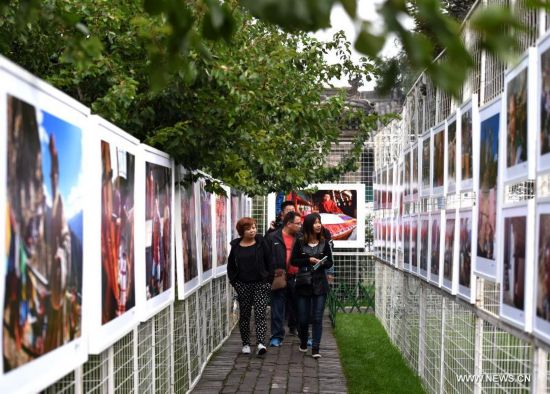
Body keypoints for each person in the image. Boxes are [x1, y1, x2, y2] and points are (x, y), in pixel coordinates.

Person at [227, 217, 272, 355]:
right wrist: (235, 283)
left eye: (253, 227)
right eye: (248, 229)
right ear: (242, 231)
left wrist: (268, 280)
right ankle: (245, 343)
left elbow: (270, 261)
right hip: (243, 285)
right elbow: (231, 267)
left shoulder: (261, 243)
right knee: (245, 315)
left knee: (260, 314)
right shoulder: (235, 247)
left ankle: (260, 344)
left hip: (260, 284)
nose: (252, 230)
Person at [290, 213, 333, 359]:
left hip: (320, 283)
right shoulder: (300, 242)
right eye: (315, 222)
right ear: (309, 225)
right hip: (303, 283)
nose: (318, 225)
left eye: (319, 222)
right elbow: (294, 261)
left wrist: (322, 262)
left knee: (317, 317)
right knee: (303, 318)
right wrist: (308, 260)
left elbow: (330, 262)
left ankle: (315, 348)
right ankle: (303, 340)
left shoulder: (324, 242)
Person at [266, 211, 302, 346]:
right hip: (279, 277)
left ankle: (304, 336)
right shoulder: (272, 237)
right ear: (288, 223)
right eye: (298, 223)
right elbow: (266, 257)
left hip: (297, 278)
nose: (300, 226)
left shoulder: (301, 237)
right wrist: (270, 274)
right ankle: (276, 336)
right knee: (277, 308)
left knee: (300, 308)